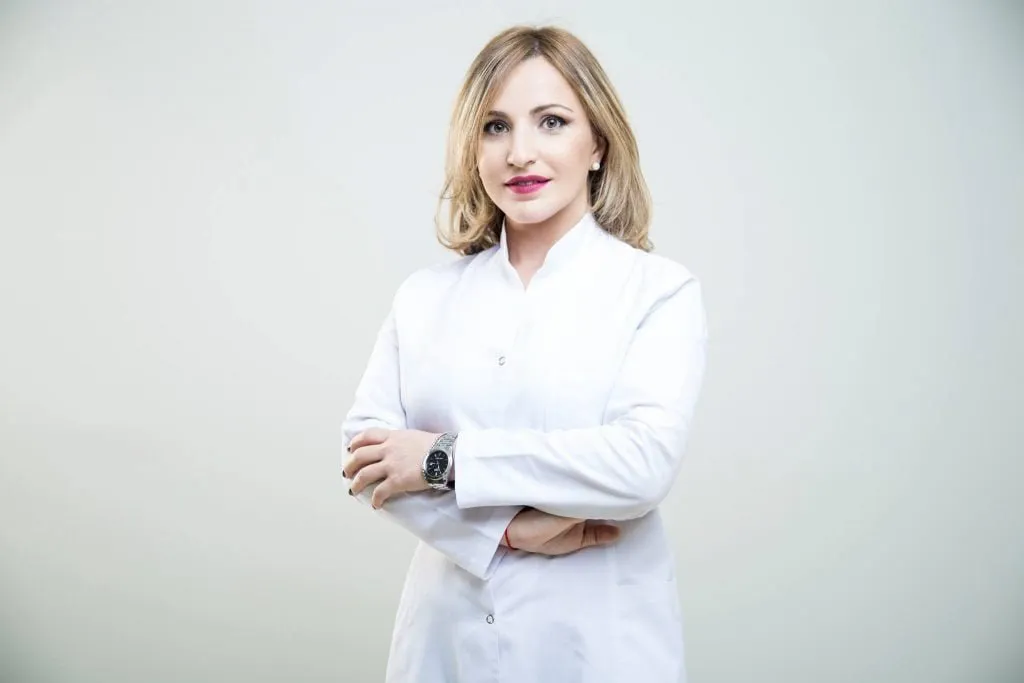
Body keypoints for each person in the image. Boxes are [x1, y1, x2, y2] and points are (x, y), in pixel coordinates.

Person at [341, 24, 708, 683]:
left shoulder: (657, 292)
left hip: (597, 647)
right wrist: (503, 533)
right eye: (496, 127)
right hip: (444, 642)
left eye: (552, 122)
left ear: (597, 143)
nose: (520, 153)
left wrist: (443, 458)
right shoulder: (424, 297)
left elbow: (641, 463)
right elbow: (369, 456)